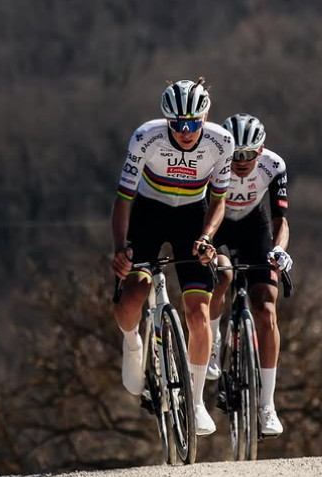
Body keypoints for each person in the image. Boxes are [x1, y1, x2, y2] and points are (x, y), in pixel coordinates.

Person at [110, 78, 234, 436]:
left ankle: (195, 403)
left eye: (193, 123)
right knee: (133, 293)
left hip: (192, 218)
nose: (185, 131)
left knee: (197, 311)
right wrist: (120, 249)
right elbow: (123, 199)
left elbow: (219, 200)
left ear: (205, 117)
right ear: (166, 121)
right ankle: (132, 340)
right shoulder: (145, 136)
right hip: (148, 214)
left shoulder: (220, 141)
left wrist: (208, 237)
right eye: (177, 124)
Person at [207, 113, 293, 436]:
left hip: (254, 228)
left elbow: (280, 220)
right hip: (218, 225)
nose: (241, 162)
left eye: (248, 155)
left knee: (266, 307)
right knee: (224, 275)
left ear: (261, 151)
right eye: (236, 155)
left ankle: (267, 404)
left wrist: (279, 250)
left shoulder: (274, 166)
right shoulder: (213, 160)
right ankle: (213, 341)